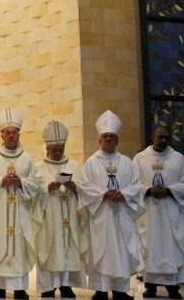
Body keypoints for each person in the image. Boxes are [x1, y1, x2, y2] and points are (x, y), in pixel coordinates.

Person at [78, 110, 144, 300]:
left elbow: (136, 186)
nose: (108, 139)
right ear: (100, 140)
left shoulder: (126, 162)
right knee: (101, 250)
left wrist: (123, 195)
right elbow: (84, 187)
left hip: (121, 214)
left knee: (122, 251)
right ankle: (101, 290)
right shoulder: (91, 163)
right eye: (105, 137)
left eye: (112, 137)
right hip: (101, 217)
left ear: (117, 140)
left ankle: (120, 290)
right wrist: (102, 195)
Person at [0, 107, 43, 299]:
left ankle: (20, 289)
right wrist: (1, 181)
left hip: (20, 213)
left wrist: (21, 182)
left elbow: (37, 182)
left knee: (19, 247)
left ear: (18, 134)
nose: (11, 135)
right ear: (1, 135)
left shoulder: (27, 159)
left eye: (14, 132)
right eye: (7, 132)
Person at [34, 120, 86, 298]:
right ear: (47, 149)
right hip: (49, 218)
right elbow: (33, 193)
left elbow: (83, 189)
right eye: (54, 150)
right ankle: (48, 286)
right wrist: (46, 189)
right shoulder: (38, 168)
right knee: (50, 249)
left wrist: (75, 187)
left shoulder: (74, 166)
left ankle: (66, 285)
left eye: (60, 149)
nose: (57, 153)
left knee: (68, 249)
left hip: (69, 216)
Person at [133, 126, 184, 299]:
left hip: (170, 211)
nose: (164, 141)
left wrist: (169, 190)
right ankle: (151, 286)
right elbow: (133, 183)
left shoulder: (178, 158)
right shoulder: (140, 159)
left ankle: (172, 288)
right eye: (160, 137)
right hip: (149, 211)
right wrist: (147, 190)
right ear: (153, 137)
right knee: (150, 246)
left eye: (167, 138)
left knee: (170, 249)